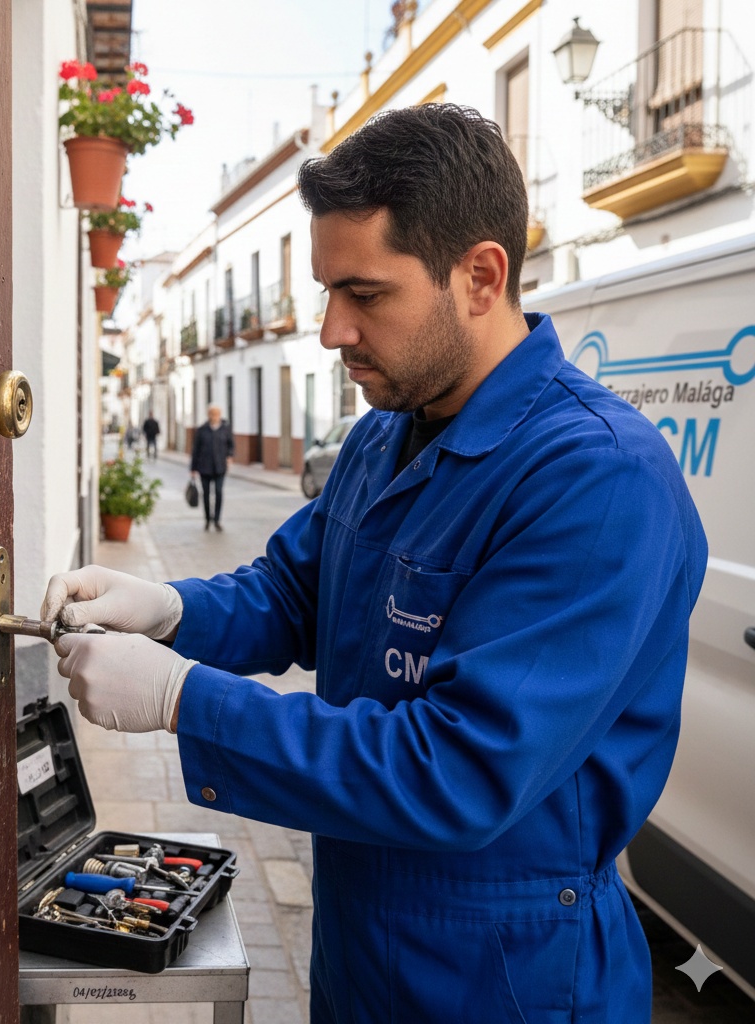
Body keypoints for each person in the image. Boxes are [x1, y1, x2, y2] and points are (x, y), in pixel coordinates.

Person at [40, 104, 707, 1023]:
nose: (330, 331)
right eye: (325, 292)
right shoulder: (383, 436)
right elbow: (290, 591)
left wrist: (181, 697)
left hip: (508, 975)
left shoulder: (596, 482)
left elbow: (461, 770)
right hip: (362, 938)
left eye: (365, 293)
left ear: (480, 276)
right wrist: (167, 609)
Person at [189, 404, 234, 531]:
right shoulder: (202, 430)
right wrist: (193, 469)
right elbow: (195, 449)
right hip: (204, 467)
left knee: (219, 493)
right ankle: (208, 519)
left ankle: (217, 520)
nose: (214, 416)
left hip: (220, 467)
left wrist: (230, 456)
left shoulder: (225, 429)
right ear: (208, 415)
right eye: (212, 413)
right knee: (206, 495)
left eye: (216, 414)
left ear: (220, 415)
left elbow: (231, 444)